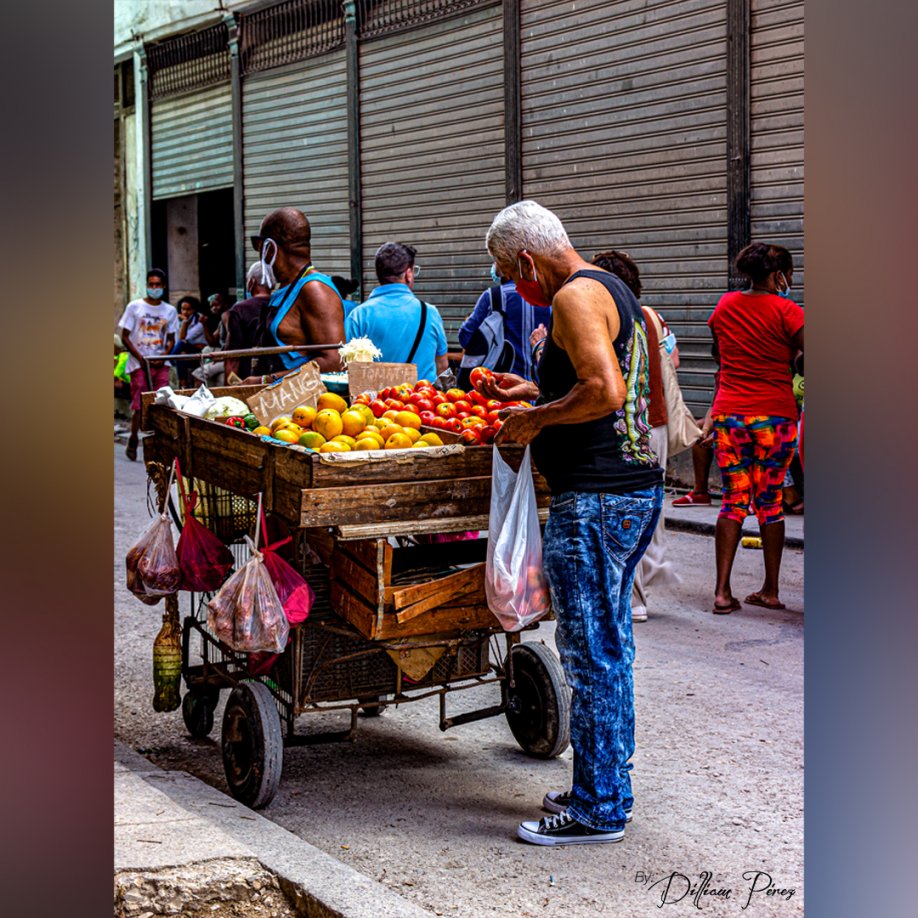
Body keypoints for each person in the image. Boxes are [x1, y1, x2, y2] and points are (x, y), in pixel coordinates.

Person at [478, 200, 663, 846]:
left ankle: (598, 807)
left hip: (597, 500)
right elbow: (597, 383)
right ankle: (606, 778)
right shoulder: (610, 288)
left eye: (510, 273)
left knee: (590, 653)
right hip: (630, 492)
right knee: (610, 646)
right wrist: (532, 392)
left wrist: (534, 421)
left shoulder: (573, 299)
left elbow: (606, 391)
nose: (514, 286)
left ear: (527, 260)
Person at [708, 242, 804, 614]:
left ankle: (721, 592)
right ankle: (771, 589)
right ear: (779, 275)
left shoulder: (724, 306)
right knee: (770, 501)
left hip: (730, 414)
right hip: (775, 418)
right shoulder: (788, 310)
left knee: (733, 500)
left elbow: (720, 354)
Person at [590, 250, 680, 623]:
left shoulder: (608, 317)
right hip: (655, 424)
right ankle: (650, 571)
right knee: (648, 506)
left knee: (626, 510)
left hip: (627, 426)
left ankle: (634, 599)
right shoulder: (652, 316)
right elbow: (673, 362)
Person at [244, 207, 346, 384]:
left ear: (269, 248)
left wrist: (266, 380)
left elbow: (334, 362)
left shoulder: (314, 289)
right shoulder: (287, 288)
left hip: (305, 408)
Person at [345, 242, 449, 383]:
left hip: (374, 404)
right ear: (408, 274)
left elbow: (350, 370)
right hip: (423, 402)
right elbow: (442, 367)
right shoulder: (430, 313)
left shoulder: (358, 316)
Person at [118, 269, 179, 461]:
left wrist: (164, 355)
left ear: (163, 286)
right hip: (139, 363)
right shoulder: (134, 307)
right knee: (139, 403)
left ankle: (160, 442)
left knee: (161, 401)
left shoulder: (169, 311)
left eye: (157, 284)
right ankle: (134, 437)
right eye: (151, 284)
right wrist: (140, 357)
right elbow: (125, 336)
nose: (154, 288)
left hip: (161, 363)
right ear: (147, 285)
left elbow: (171, 338)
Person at [458, 265, 551, 384]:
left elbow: (465, 338)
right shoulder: (550, 297)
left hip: (502, 388)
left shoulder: (493, 296)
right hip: (541, 388)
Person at [225, 262, 274, 383]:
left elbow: (233, 356)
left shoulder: (239, 309)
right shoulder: (281, 304)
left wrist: (229, 387)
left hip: (247, 377)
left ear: (251, 282)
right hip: (276, 376)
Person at [170, 295, 208, 387]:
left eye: (188, 309)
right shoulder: (178, 321)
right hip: (186, 351)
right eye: (183, 309)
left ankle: (170, 358)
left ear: (194, 310)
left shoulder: (199, 322)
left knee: (182, 344)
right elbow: (177, 340)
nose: (185, 312)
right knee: (182, 355)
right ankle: (184, 385)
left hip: (198, 352)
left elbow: (183, 338)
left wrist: (185, 323)